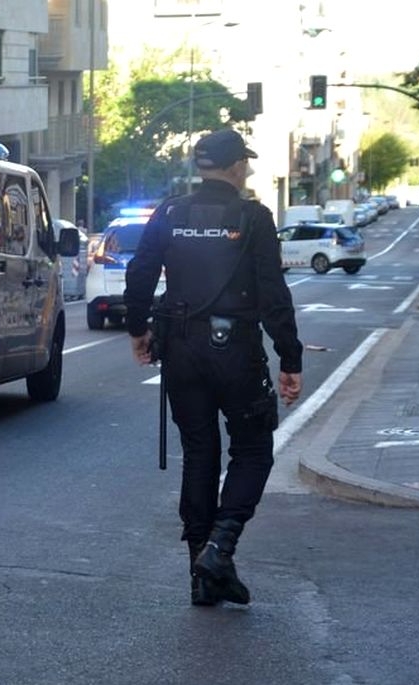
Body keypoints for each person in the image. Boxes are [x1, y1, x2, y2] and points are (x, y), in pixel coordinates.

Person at [124, 129, 303, 607]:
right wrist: (290, 358)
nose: (246, 168)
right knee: (253, 450)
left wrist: (138, 329)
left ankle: (201, 573)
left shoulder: (170, 213)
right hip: (236, 352)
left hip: (180, 351)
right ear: (235, 167)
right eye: (244, 161)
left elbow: (140, 273)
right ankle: (220, 548)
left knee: (199, 453)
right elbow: (273, 295)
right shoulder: (253, 217)